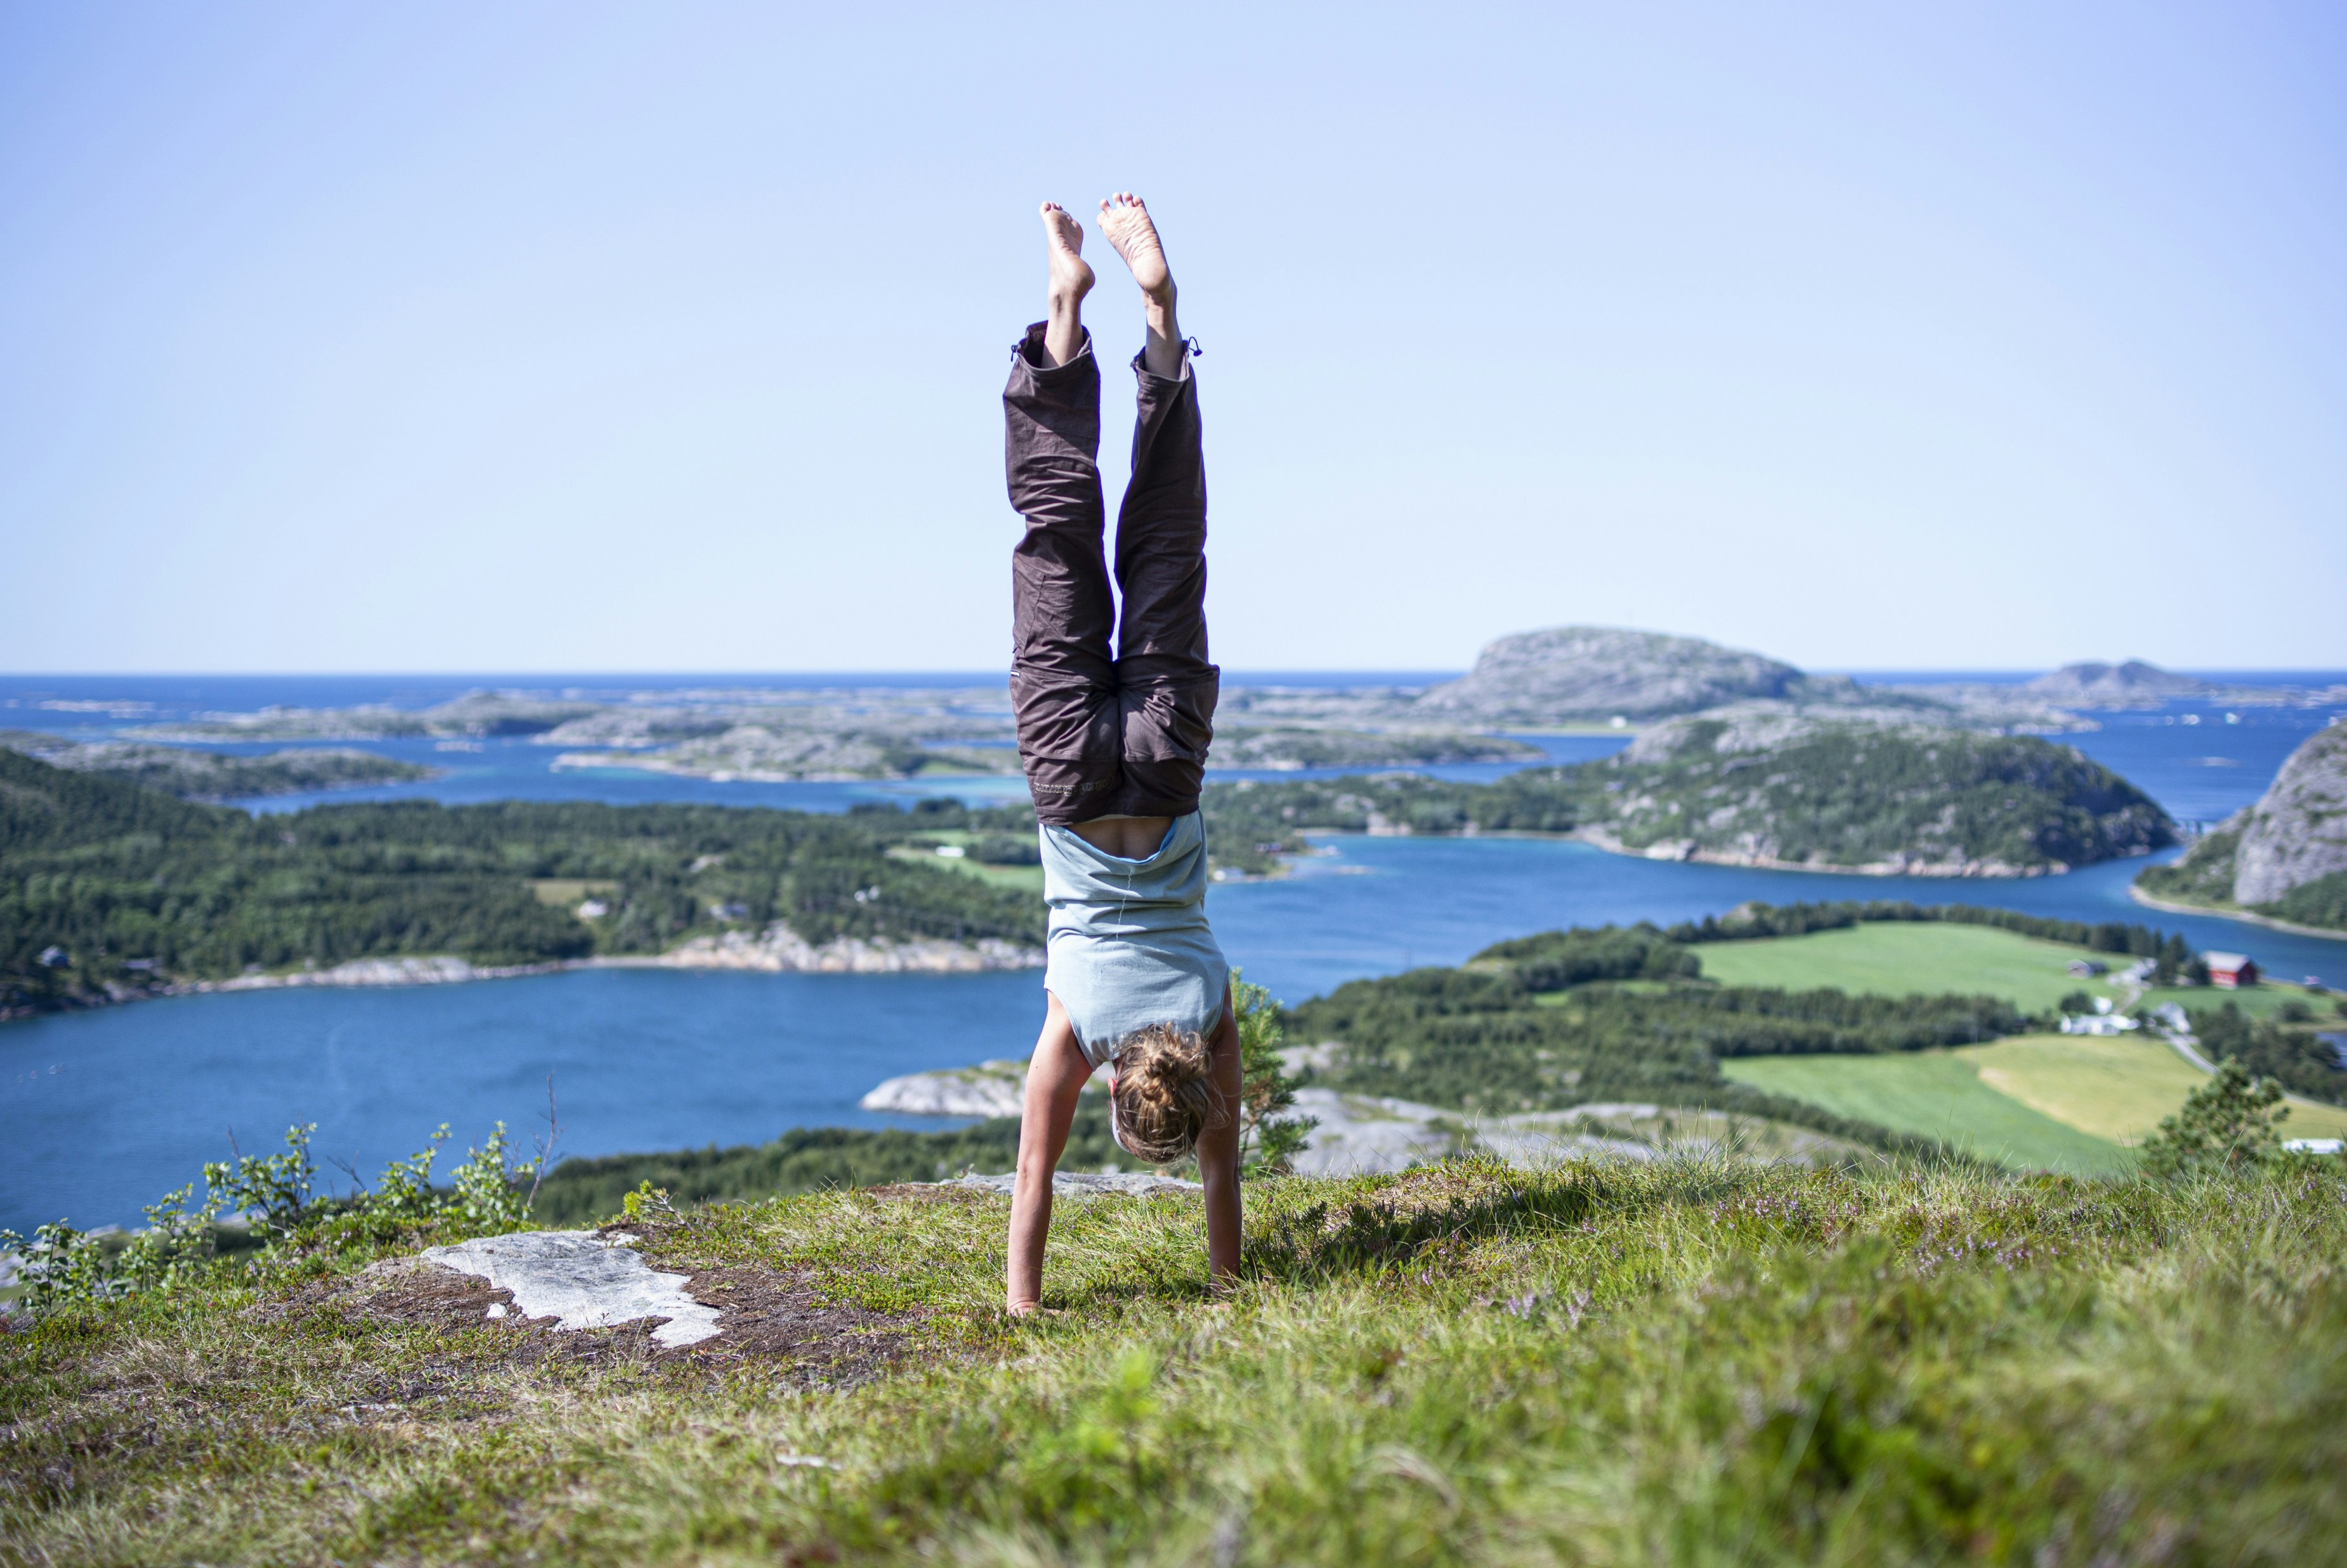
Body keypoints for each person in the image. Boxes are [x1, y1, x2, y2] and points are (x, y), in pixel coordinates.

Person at [1001, 193, 1241, 1317]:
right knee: (1057, 532)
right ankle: (1062, 315)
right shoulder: (1082, 1027)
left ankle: (1158, 332)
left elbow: (1223, 1168)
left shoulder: (1207, 1008)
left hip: (1166, 761)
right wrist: (1022, 1307)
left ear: (1188, 1083)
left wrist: (1232, 1278)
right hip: (1066, 779)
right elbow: (1034, 1173)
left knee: (1166, 540)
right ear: (1118, 1094)